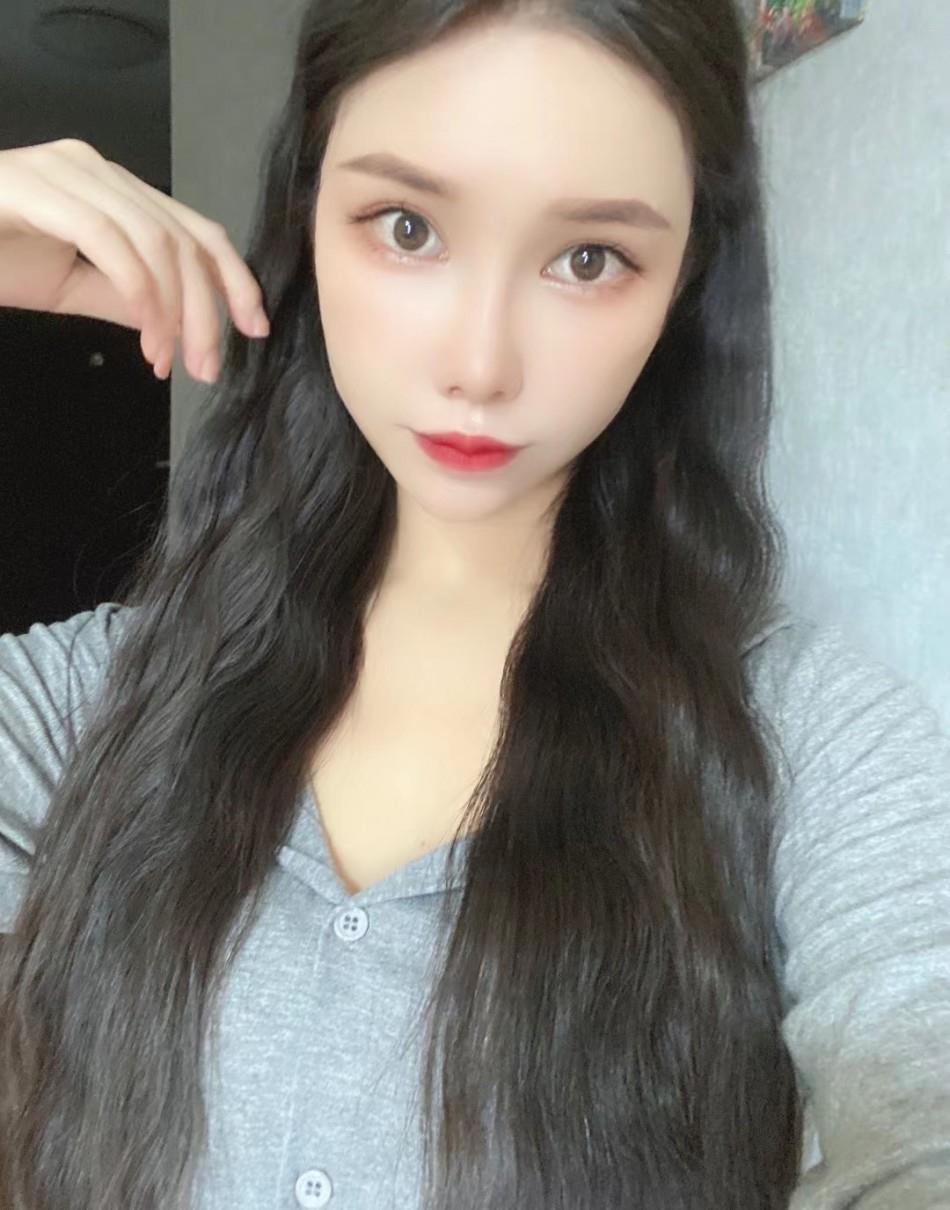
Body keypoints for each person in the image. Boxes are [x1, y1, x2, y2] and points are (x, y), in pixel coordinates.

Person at [1, 2, 948, 1208]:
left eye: (588, 258)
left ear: (681, 283)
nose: (479, 363)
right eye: (407, 228)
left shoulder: (807, 738)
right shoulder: (95, 702)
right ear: (307, 219)